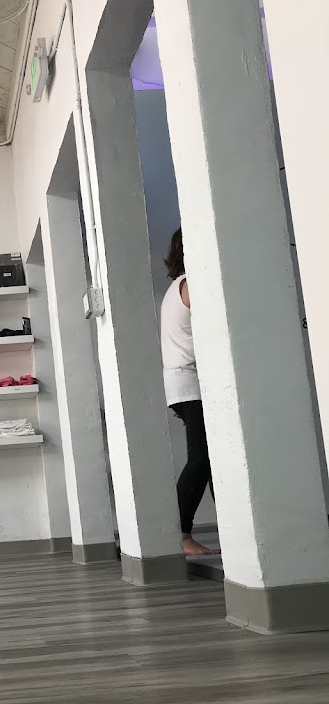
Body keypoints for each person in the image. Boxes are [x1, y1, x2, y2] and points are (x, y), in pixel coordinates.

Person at [160, 229, 218, 557]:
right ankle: (181, 534)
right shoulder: (192, 285)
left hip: (183, 385)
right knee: (202, 458)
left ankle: (233, 526)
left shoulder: (176, 287)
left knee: (212, 459)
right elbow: (212, 332)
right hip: (191, 383)